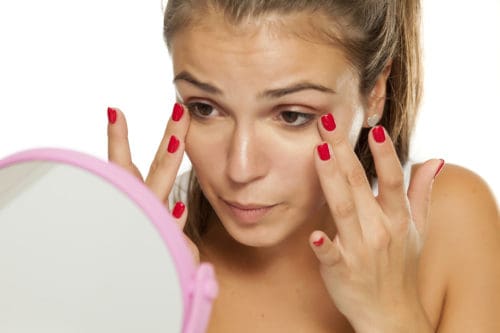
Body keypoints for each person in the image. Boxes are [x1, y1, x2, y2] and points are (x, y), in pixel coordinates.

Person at [106, 1, 500, 332]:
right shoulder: (140, 262)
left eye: (292, 115)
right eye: (204, 108)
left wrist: (393, 317)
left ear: (375, 92)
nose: (240, 168)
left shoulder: (452, 223)